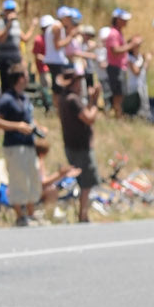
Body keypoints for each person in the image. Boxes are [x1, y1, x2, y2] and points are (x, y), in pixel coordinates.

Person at [0, 68, 44, 226]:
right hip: (14, 145)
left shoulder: (25, 98)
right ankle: (20, 216)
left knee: (32, 177)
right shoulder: (7, 99)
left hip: (29, 143)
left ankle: (31, 213)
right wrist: (17, 126)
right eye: (26, 76)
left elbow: (29, 120)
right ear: (19, 78)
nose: (28, 79)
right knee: (18, 179)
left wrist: (38, 128)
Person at [54, 70, 100, 222]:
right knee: (86, 181)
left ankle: (82, 213)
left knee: (83, 180)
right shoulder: (73, 99)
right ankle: (83, 214)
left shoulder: (63, 98)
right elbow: (89, 118)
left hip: (71, 144)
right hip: (80, 146)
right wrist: (94, 102)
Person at [102, 8, 144, 116]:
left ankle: (118, 114)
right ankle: (118, 115)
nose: (126, 22)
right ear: (117, 20)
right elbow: (115, 50)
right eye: (124, 19)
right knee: (118, 94)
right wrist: (131, 45)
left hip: (119, 67)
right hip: (115, 67)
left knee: (120, 94)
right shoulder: (114, 33)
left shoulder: (118, 33)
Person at [0, 0, 27, 91]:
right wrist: (8, 25)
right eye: (9, 10)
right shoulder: (0, 23)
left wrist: (22, 59)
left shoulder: (16, 23)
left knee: (17, 85)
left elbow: (19, 42)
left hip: (16, 59)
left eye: (13, 10)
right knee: (7, 86)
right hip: (5, 60)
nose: (11, 12)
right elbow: (1, 39)